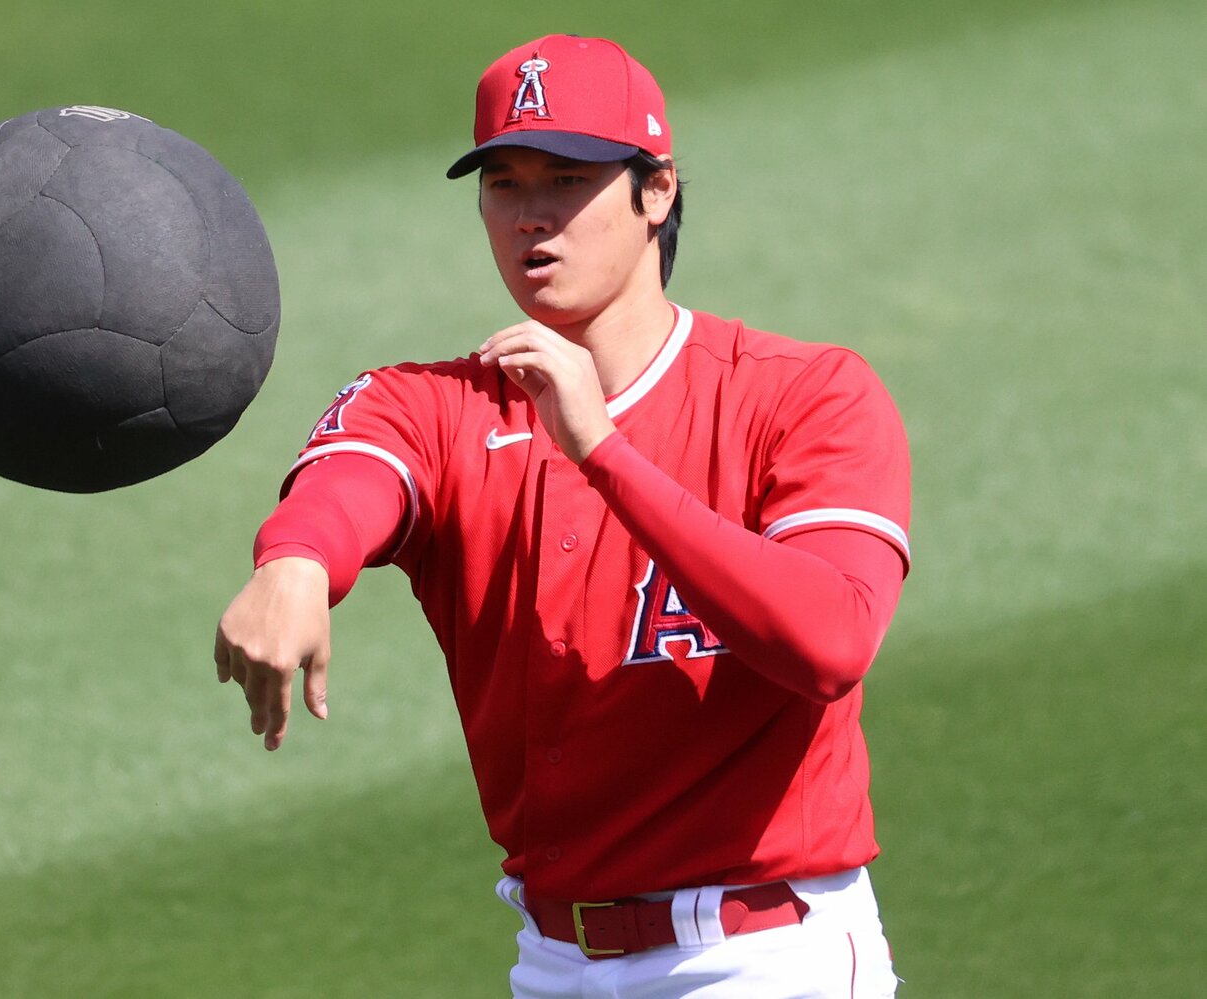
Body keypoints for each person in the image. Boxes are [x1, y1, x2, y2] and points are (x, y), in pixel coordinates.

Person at [214, 33, 910, 998]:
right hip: (554, 963)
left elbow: (830, 641)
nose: (532, 217)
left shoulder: (805, 396)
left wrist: (605, 454)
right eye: (504, 183)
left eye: (568, 179)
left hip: (760, 954)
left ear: (656, 189)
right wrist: (290, 560)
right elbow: (352, 483)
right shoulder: (434, 405)